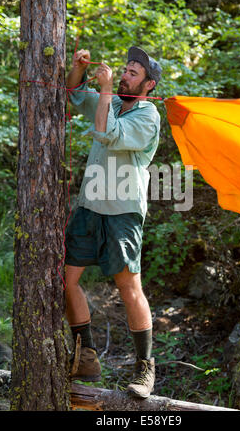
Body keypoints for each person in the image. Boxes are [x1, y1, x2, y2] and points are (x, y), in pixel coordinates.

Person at [65, 46, 162, 398]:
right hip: (89, 205)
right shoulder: (115, 102)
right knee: (66, 279)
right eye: (125, 69)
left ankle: (144, 367)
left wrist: (105, 90)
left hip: (122, 210)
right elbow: (75, 94)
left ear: (149, 84)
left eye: (133, 73)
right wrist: (78, 68)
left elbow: (107, 131)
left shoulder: (148, 115)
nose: (125, 74)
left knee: (128, 287)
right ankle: (86, 354)